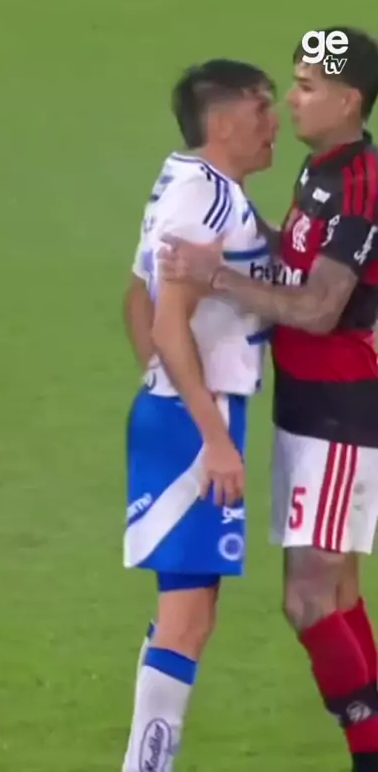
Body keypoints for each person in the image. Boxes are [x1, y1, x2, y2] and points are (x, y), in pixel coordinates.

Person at [159, 26, 378, 772]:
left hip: (341, 414)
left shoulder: (360, 185)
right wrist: (249, 229)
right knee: (336, 595)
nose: (290, 101)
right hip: (307, 407)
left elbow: (318, 308)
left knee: (308, 598)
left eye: (308, 87)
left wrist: (214, 276)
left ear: (348, 101)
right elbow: (302, 256)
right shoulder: (323, 170)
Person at [122, 58, 277, 772]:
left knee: (190, 615)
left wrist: (159, 379)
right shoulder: (205, 199)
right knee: (186, 621)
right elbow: (165, 318)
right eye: (260, 109)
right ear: (222, 123)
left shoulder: (187, 182)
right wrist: (210, 434)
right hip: (195, 425)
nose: (274, 124)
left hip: (183, 413)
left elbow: (136, 294)